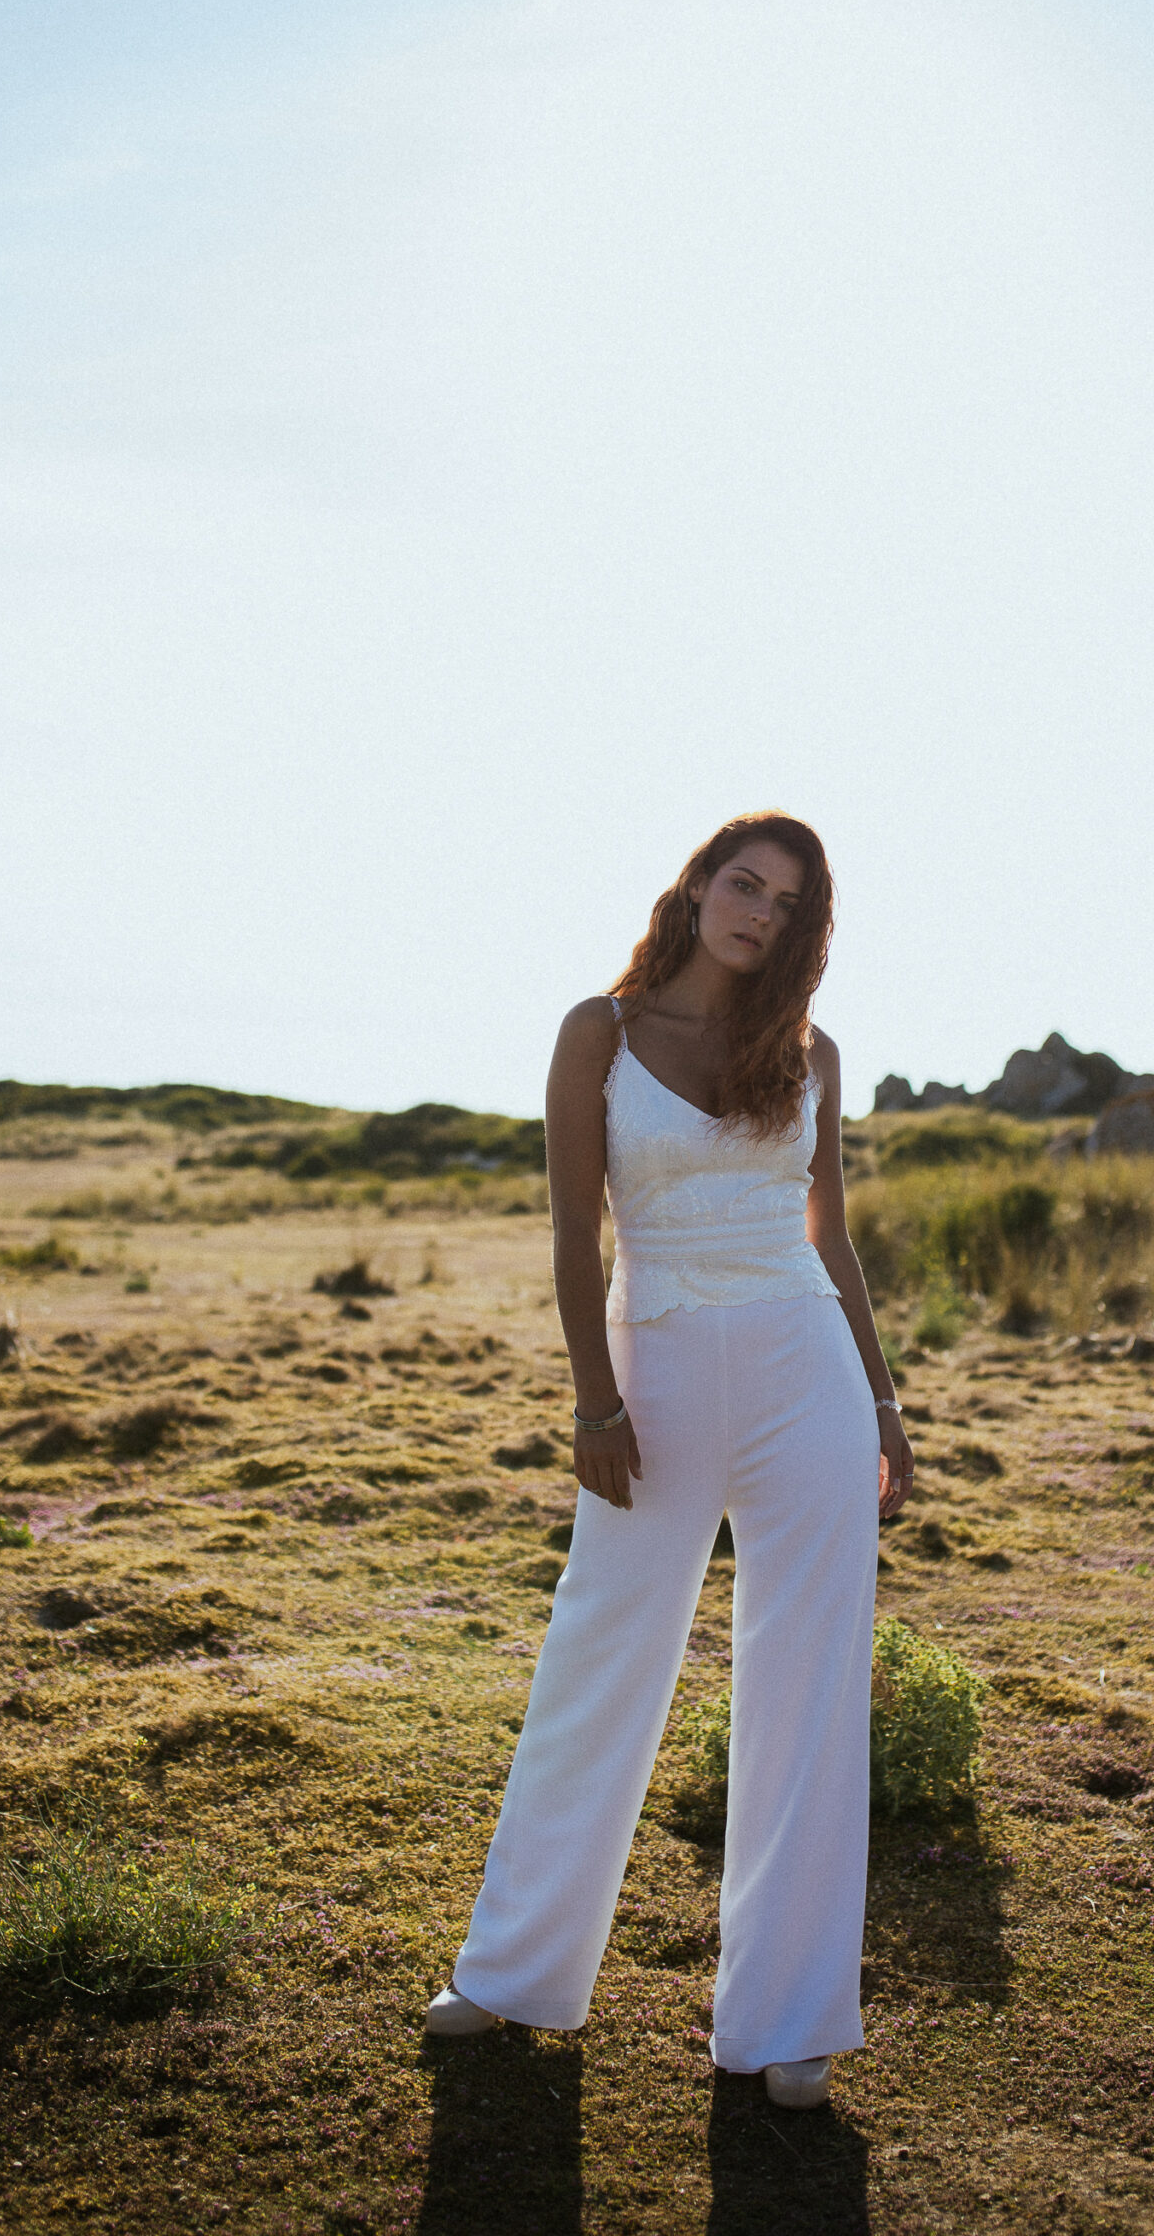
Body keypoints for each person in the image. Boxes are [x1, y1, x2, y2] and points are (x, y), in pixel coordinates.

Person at [425, 812, 912, 2109]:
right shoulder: (604, 1030)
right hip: (658, 1373)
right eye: (742, 884)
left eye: (783, 903)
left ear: (798, 931)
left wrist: (882, 1402)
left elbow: (833, 1240)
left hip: (806, 1371)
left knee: (809, 1685)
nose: (755, 912)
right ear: (697, 887)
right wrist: (594, 1403)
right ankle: (513, 1971)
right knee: (602, 1651)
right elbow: (575, 1238)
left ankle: (788, 2020)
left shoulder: (812, 1055)